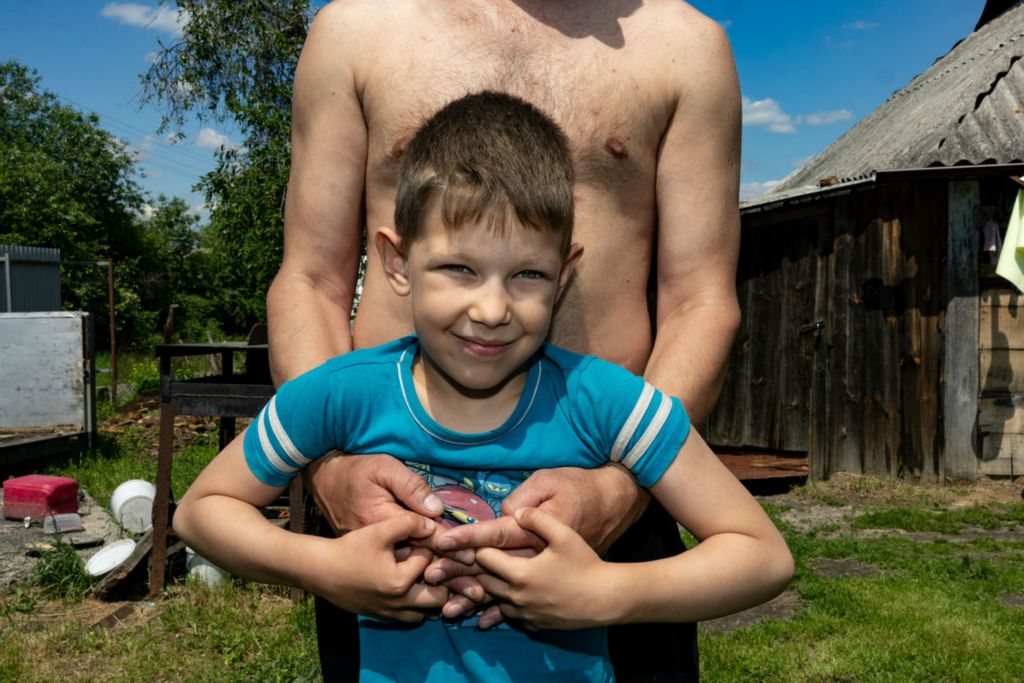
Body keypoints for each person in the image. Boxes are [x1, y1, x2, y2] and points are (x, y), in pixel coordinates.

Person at [173, 91, 792, 683]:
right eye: (459, 268)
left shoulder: (610, 404)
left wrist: (606, 592)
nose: (492, 309)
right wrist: (325, 567)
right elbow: (202, 514)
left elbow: (762, 556)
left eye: (527, 274)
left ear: (566, 272)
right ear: (396, 262)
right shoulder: (338, 396)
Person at [269, 1, 743, 680]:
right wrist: (331, 471)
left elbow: (701, 300)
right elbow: (309, 279)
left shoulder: (687, 49)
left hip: (606, 504)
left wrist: (620, 491)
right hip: (394, 515)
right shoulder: (355, 30)